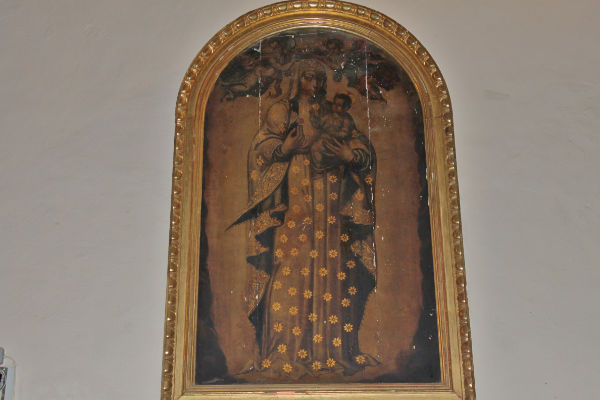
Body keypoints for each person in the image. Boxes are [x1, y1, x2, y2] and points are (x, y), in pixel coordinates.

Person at [231, 59, 378, 380]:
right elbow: (261, 146)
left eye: (319, 78)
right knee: (290, 265)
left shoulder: (333, 112)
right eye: (308, 77)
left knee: (334, 267)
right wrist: (284, 148)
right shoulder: (283, 110)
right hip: (295, 197)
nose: (315, 83)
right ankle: (284, 351)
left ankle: (332, 351)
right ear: (297, 78)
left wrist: (350, 155)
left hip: (332, 199)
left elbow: (359, 145)